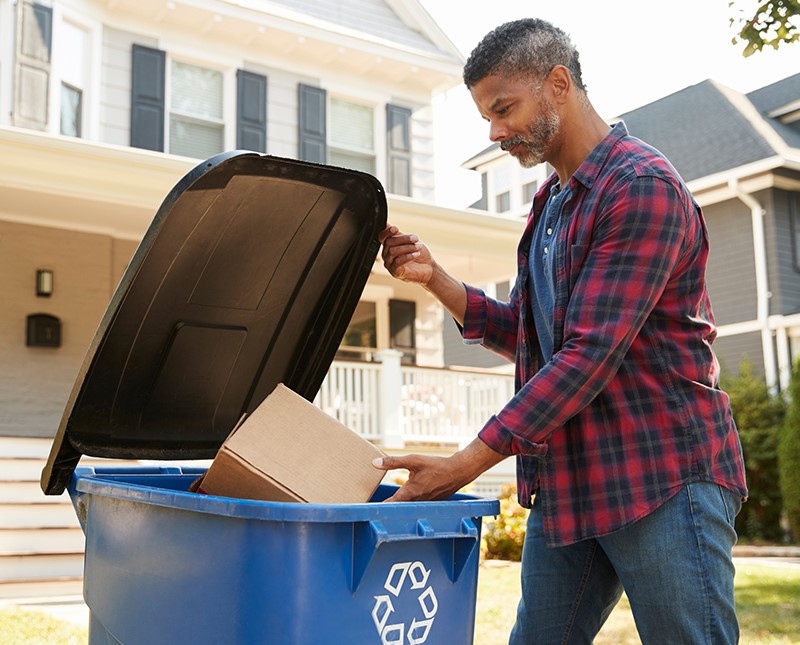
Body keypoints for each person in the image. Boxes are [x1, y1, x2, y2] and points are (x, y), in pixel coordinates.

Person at [374, 18, 748, 645]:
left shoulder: (639, 187)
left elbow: (587, 355)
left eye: (503, 109)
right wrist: (436, 279)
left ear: (557, 84)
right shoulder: (551, 205)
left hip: (662, 474)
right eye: (486, 117)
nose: (494, 132)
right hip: (573, 480)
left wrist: (463, 466)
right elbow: (532, 334)